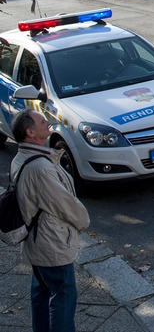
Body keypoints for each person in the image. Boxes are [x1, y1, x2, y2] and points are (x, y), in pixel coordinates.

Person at [10, 110, 91, 332]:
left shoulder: (22, 158)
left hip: (37, 243)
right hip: (52, 244)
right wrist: (83, 220)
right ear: (30, 132)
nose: (48, 122)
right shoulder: (40, 168)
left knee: (41, 293)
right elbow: (65, 204)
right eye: (42, 121)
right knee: (63, 297)